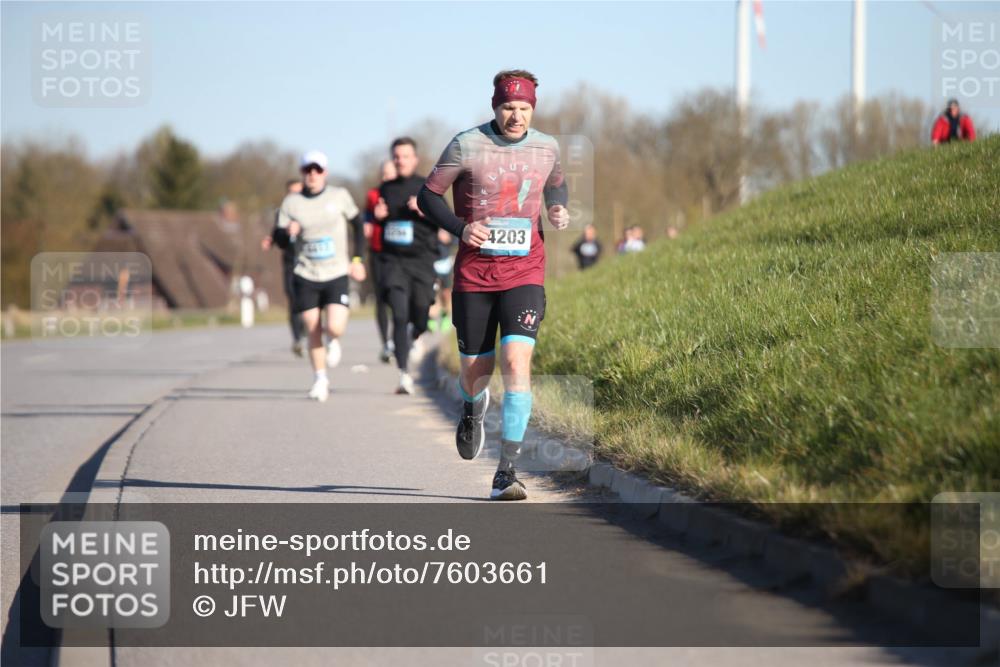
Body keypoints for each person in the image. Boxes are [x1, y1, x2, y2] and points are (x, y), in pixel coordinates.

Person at [418, 69, 570, 501]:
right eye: (508, 108)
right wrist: (460, 227)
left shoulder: (546, 148)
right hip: (474, 276)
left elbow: (557, 187)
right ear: (495, 107)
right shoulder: (466, 144)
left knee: (517, 364)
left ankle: (507, 471)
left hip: (525, 271)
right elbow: (429, 195)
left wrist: (557, 210)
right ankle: (471, 405)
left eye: (524, 109)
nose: (516, 116)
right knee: (475, 372)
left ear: (533, 109)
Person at [274, 150, 366, 402]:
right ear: (303, 173)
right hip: (306, 273)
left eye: (317, 170)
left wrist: (358, 260)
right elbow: (279, 239)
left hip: (336, 272)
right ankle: (320, 379)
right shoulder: (291, 203)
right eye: (307, 170)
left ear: (325, 172)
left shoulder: (339, 196)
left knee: (335, 326)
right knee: (311, 327)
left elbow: (357, 226)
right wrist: (288, 233)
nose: (312, 174)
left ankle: (333, 340)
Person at [372, 137, 437, 395]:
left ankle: (416, 333)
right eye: (396, 156)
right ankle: (403, 374)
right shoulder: (385, 188)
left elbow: (445, 219)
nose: (400, 161)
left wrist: (424, 210)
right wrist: (379, 218)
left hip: (422, 260)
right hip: (394, 261)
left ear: (415, 159)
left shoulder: (428, 186)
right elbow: (378, 220)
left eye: (405, 156)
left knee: (421, 311)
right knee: (398, 314)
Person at [261, 179, 305, 356]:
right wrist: (271, 240)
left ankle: (309, 329)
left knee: (308, 300)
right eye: (291, 192)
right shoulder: (283, 213)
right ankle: (298, 338)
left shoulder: (310, 210)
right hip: (289, 262)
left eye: (298, 192)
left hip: (308, 262)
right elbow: (276, 232)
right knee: (293, 299)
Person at [364, 160, 398, 363]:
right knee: (381, 298)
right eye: (383, 173)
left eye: (390, 173)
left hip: (398, 254)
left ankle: (399, 337)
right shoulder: (373, 195)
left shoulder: (404, 193)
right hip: (377, 251)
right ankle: (386, 343)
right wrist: (370, 220)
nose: (386, 177)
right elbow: (366, 218)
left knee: (398, 299)